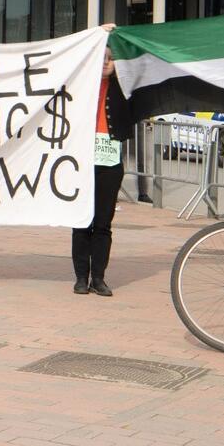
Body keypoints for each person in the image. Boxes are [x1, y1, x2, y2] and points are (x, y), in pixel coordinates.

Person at [71, 46, 135, 297]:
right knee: (81, 220)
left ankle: (98, 278)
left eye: (111, 58)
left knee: (103, 223)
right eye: (102, 58)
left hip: (110, 162)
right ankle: (80, 278)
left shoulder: (123, 87)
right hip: (81, 161)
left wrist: (120, 66)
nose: (106, 63)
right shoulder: (80, 84)